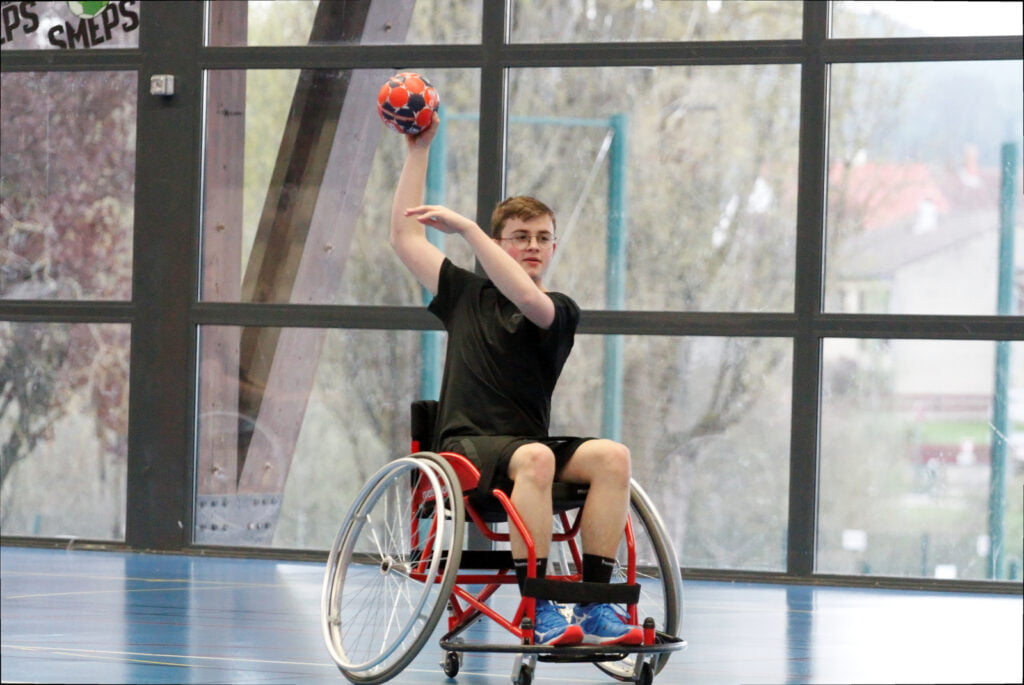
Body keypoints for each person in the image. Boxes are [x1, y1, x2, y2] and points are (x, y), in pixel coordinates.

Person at [389, 112, 641, 647]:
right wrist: (418, 150)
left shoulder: (559, 309)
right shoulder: (465, 294)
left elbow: (527, 298)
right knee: (537, 458)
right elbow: (405, 237)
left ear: (553, 249)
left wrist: (469, 230)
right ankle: (540, 606)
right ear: (499, 245)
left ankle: (597, 604)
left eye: (543, 238)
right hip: (465, 447)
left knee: (612, 456)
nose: (533, 245)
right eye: (520, 236)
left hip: (526, 447)